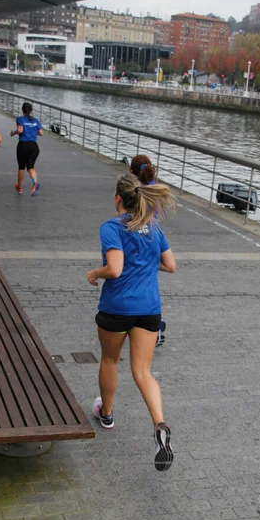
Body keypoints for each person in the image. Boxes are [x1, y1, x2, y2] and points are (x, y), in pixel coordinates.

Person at [87, 173, 177, 472]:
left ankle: (107, 414)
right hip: (149, 309)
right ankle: (160, 425)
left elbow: (114, 269)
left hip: (117, 308)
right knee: (143, 371)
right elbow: (170, 266)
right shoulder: (153, 227)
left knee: (111, 360)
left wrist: (94, 274)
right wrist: (146, 264)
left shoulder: (112, 227)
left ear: (117, 199)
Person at [130, 154, 167, 348]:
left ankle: (149, 325)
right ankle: (155, 327)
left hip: (137, 236)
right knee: (150, 281)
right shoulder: (155, 187)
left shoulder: (136, 190)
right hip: (155, 236)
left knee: (135, 277)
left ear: (132, 172)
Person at [10, 102, 43, 196]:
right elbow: (41, 133)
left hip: (23, 145)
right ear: (31, 110)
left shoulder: (20, 119)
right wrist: (32, 131)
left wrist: (14, 133)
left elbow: (20, 130)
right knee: (30, 166)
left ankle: (19, 188)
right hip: (34, 146)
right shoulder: (35, 120)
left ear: (22, 110)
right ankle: (35, 183)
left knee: (21, 167)